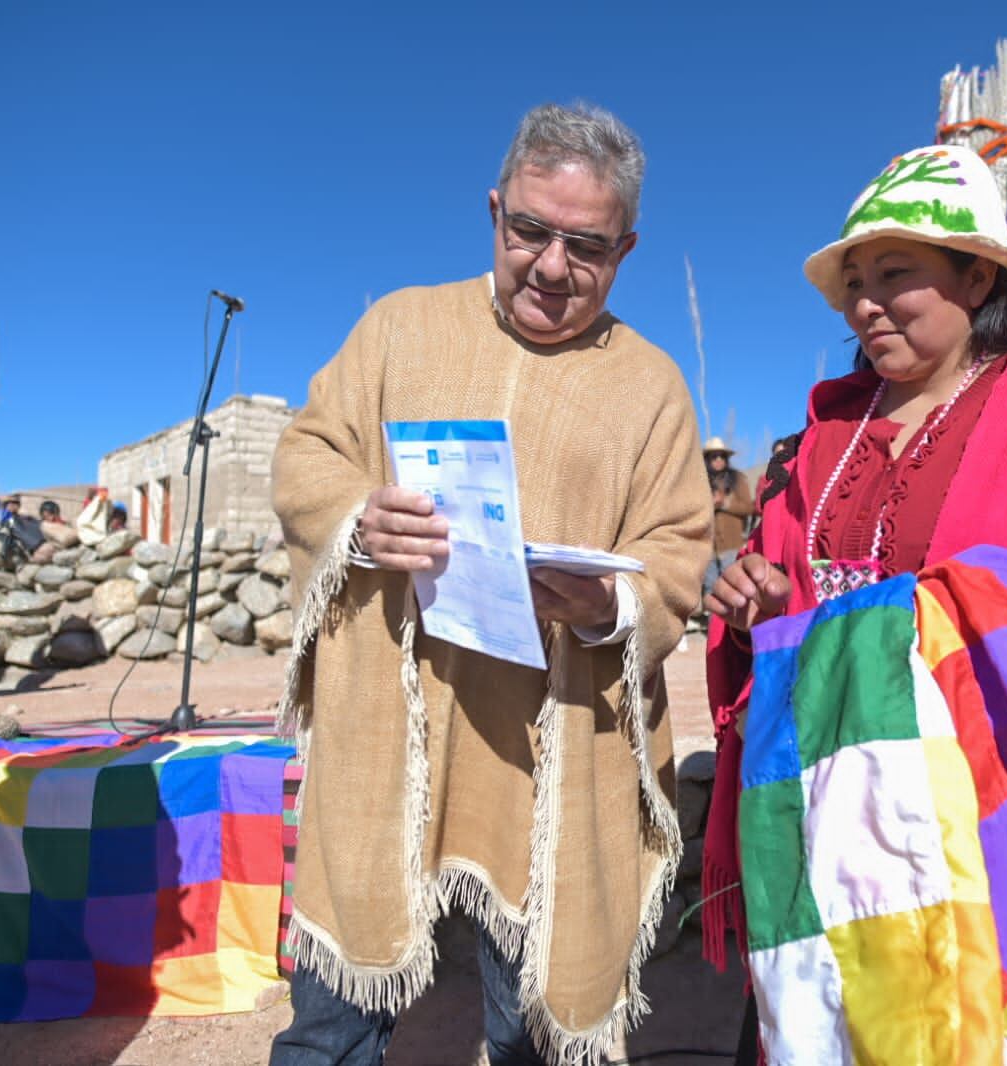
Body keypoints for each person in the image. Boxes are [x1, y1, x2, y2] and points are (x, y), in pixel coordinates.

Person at [703, 144, 1007, 1064]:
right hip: (845, 826)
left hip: (1006, 819)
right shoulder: (818, 442)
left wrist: (957, 619)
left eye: (896, 275)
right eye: (853, 281)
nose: (865, 302)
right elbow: (779, 582)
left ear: (978, 278)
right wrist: (758, 599)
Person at [269, 102, 710, 1066]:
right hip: (394, 725)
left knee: (533, 1028)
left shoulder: (650, 384)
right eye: (530, 232)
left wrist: (611, 603)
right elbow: (308, 452)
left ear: (625, 249)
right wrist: (357, 514)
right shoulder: (399, 326)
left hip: (544, 749)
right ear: (493, 212)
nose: (552, 267)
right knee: (330, 1022)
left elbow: (679, 546)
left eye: (585, 247)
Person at [702, 437, 754, 599]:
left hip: (732, 547)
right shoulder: (701, 482)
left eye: (721, 456)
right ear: (707, 459)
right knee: (712, 592)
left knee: (736, 590)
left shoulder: (738, 479)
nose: (718, 460)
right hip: (708, 548)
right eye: (713, 456)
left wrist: (724, 503)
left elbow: (749, 508)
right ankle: (714, 625)